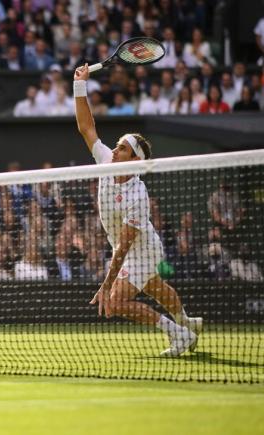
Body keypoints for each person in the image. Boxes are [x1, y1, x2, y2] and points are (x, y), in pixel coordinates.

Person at [73, 63, 202, 357]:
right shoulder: (106, 161)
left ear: (134, 160)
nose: (114, 151)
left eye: (122, 149)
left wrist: (106, 285)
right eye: (116, 146)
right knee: (156, 288)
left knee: (116, 302)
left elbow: (125, 246)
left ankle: (180, 335)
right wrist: (80, 85)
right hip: (125, 246)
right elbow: (86, 127)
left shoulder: (138, 195)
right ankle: (187, 322)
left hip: (141, 250)